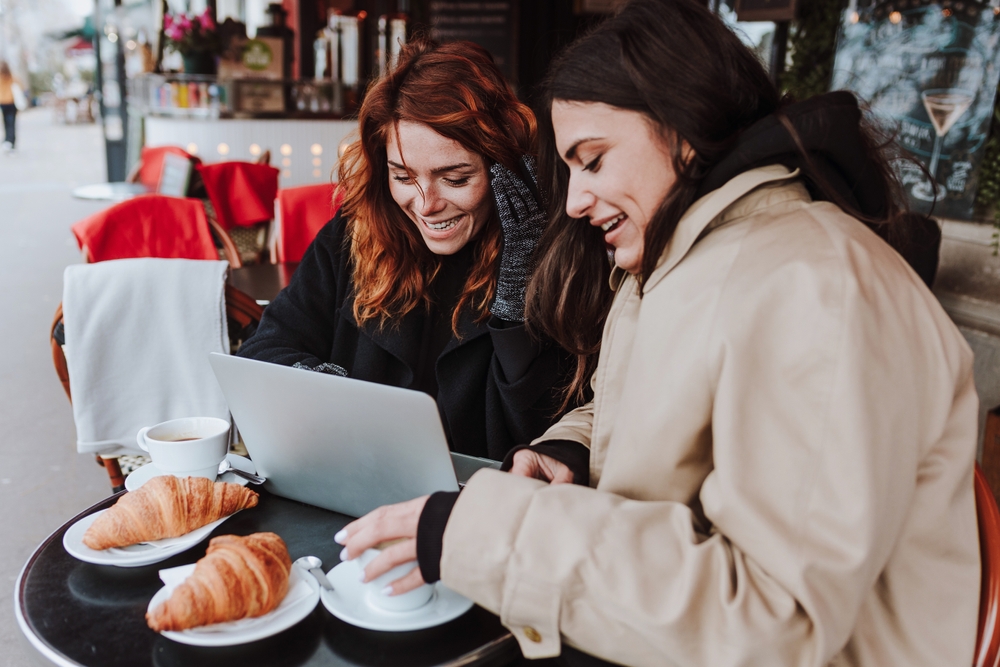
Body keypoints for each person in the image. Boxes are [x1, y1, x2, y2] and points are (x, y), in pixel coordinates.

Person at [333, 1, 980, 665]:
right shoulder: (680, 262)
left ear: (683, 129)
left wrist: (492, 532)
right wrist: (572, 448)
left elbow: (774, 620)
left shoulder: (816, 287)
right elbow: (652, 405)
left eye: (593, 160)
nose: (576, 201)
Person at [237, 39, 574, 462]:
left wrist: (519, 303)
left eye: (454, 178)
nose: (426, 203)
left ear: (502, 166)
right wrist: (322, 387)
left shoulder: (546, 252)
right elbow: (264, 351)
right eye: (403, 175)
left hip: (475, 505)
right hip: (353, 484)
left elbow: (541, 432)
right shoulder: (355, 235)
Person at [0, 62, 24, 153]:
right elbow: (21, 86)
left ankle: (9, 141)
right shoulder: (12, 77)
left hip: (8, 103)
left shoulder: (10, 77)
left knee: (8, 123)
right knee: (10, 123)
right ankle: (10, 142)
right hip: (9, 103)